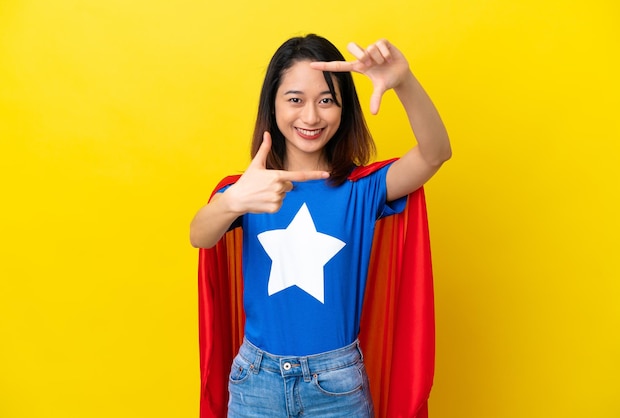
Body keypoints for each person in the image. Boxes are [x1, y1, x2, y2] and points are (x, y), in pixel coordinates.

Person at [190, 34, 450, 418]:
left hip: (337, 387)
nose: (310, 117)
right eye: (295, 99)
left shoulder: (363, 189)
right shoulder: (250, 188)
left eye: (326, 100)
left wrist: (404, 81)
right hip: (255, 383)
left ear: (344, 109)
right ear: (273, 105)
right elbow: (199, 234)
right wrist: (233, 201)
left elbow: (435, 153)